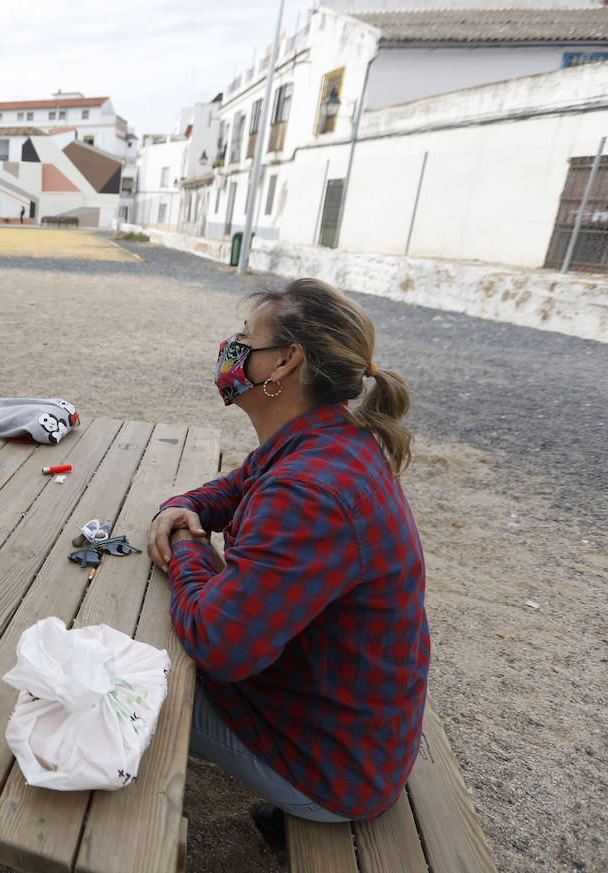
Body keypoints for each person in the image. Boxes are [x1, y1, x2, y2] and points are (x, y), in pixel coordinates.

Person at [147, 278, 429, 846]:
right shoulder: (325, 440)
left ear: (285, 363)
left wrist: (187, 544)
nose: (232, 349)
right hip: (350, 731)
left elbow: (219, 643)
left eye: (246, 340)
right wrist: (188, 507)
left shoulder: (310, 489)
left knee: (132, 681)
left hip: (336, 774)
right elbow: (238, 484)